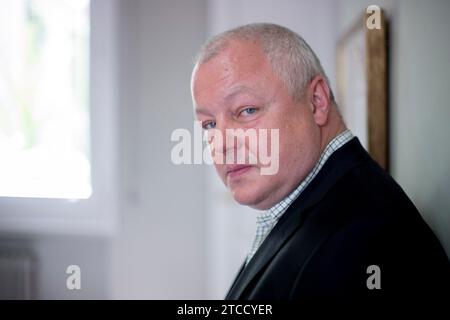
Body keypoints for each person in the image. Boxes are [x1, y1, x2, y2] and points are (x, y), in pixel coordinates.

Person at [190, 23, 449, 300]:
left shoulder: (361, 238)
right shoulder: (309, 206)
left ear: (316, 101)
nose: (222, 144)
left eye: (247, 110)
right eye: (209, 125)